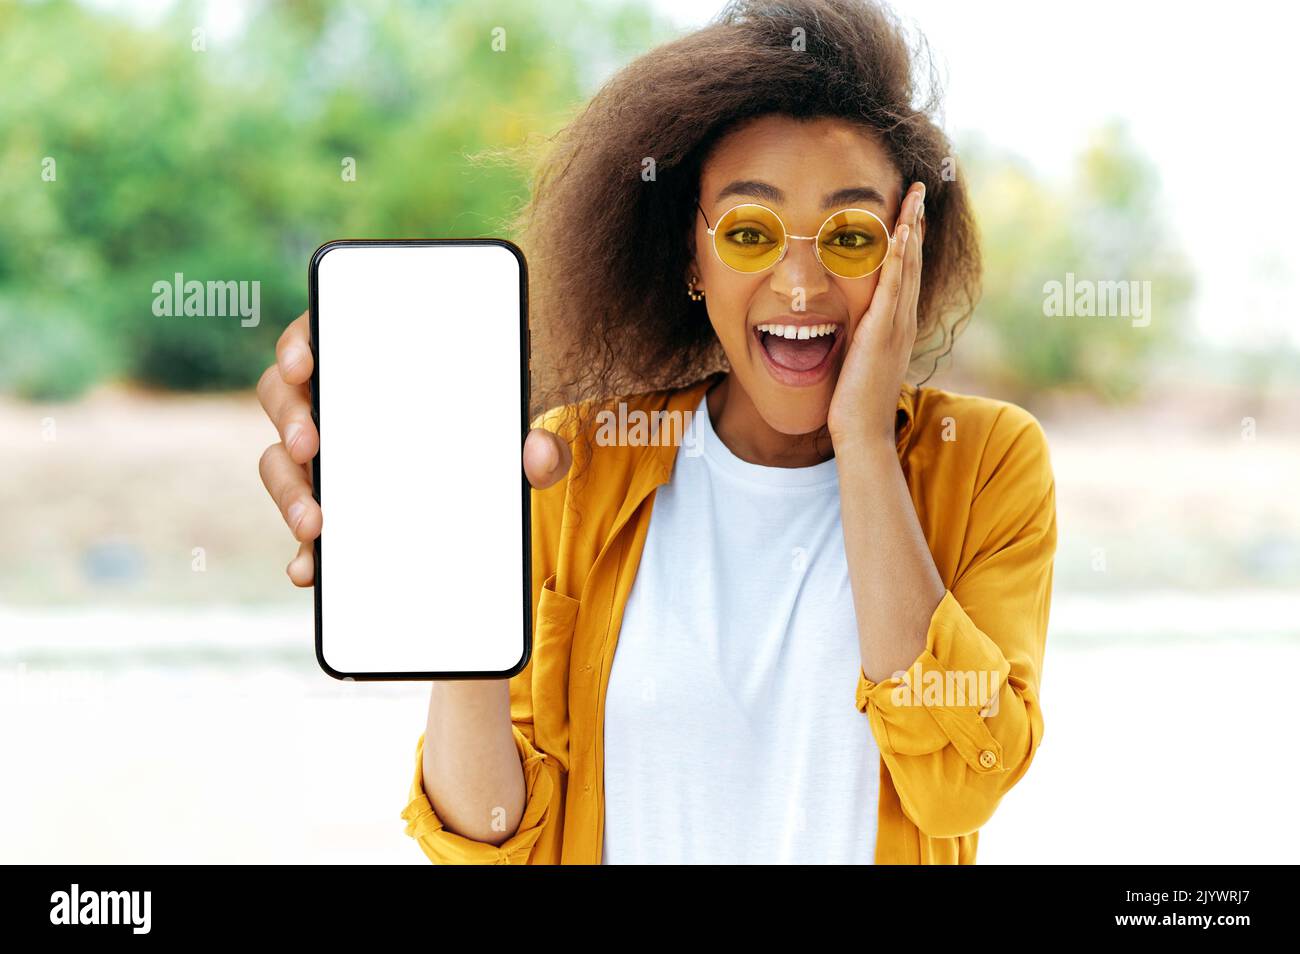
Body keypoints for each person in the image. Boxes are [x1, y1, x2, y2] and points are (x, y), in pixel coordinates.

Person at [256, 0, 1057, 864]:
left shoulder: (984, 464)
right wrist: (463, 598)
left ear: (911, 251)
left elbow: (959, 786)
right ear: (690, 257)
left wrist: (862, 442)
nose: (799, 284)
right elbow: (488, 842)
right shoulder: (575, 464)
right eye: (749, 232)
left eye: (852, 237)